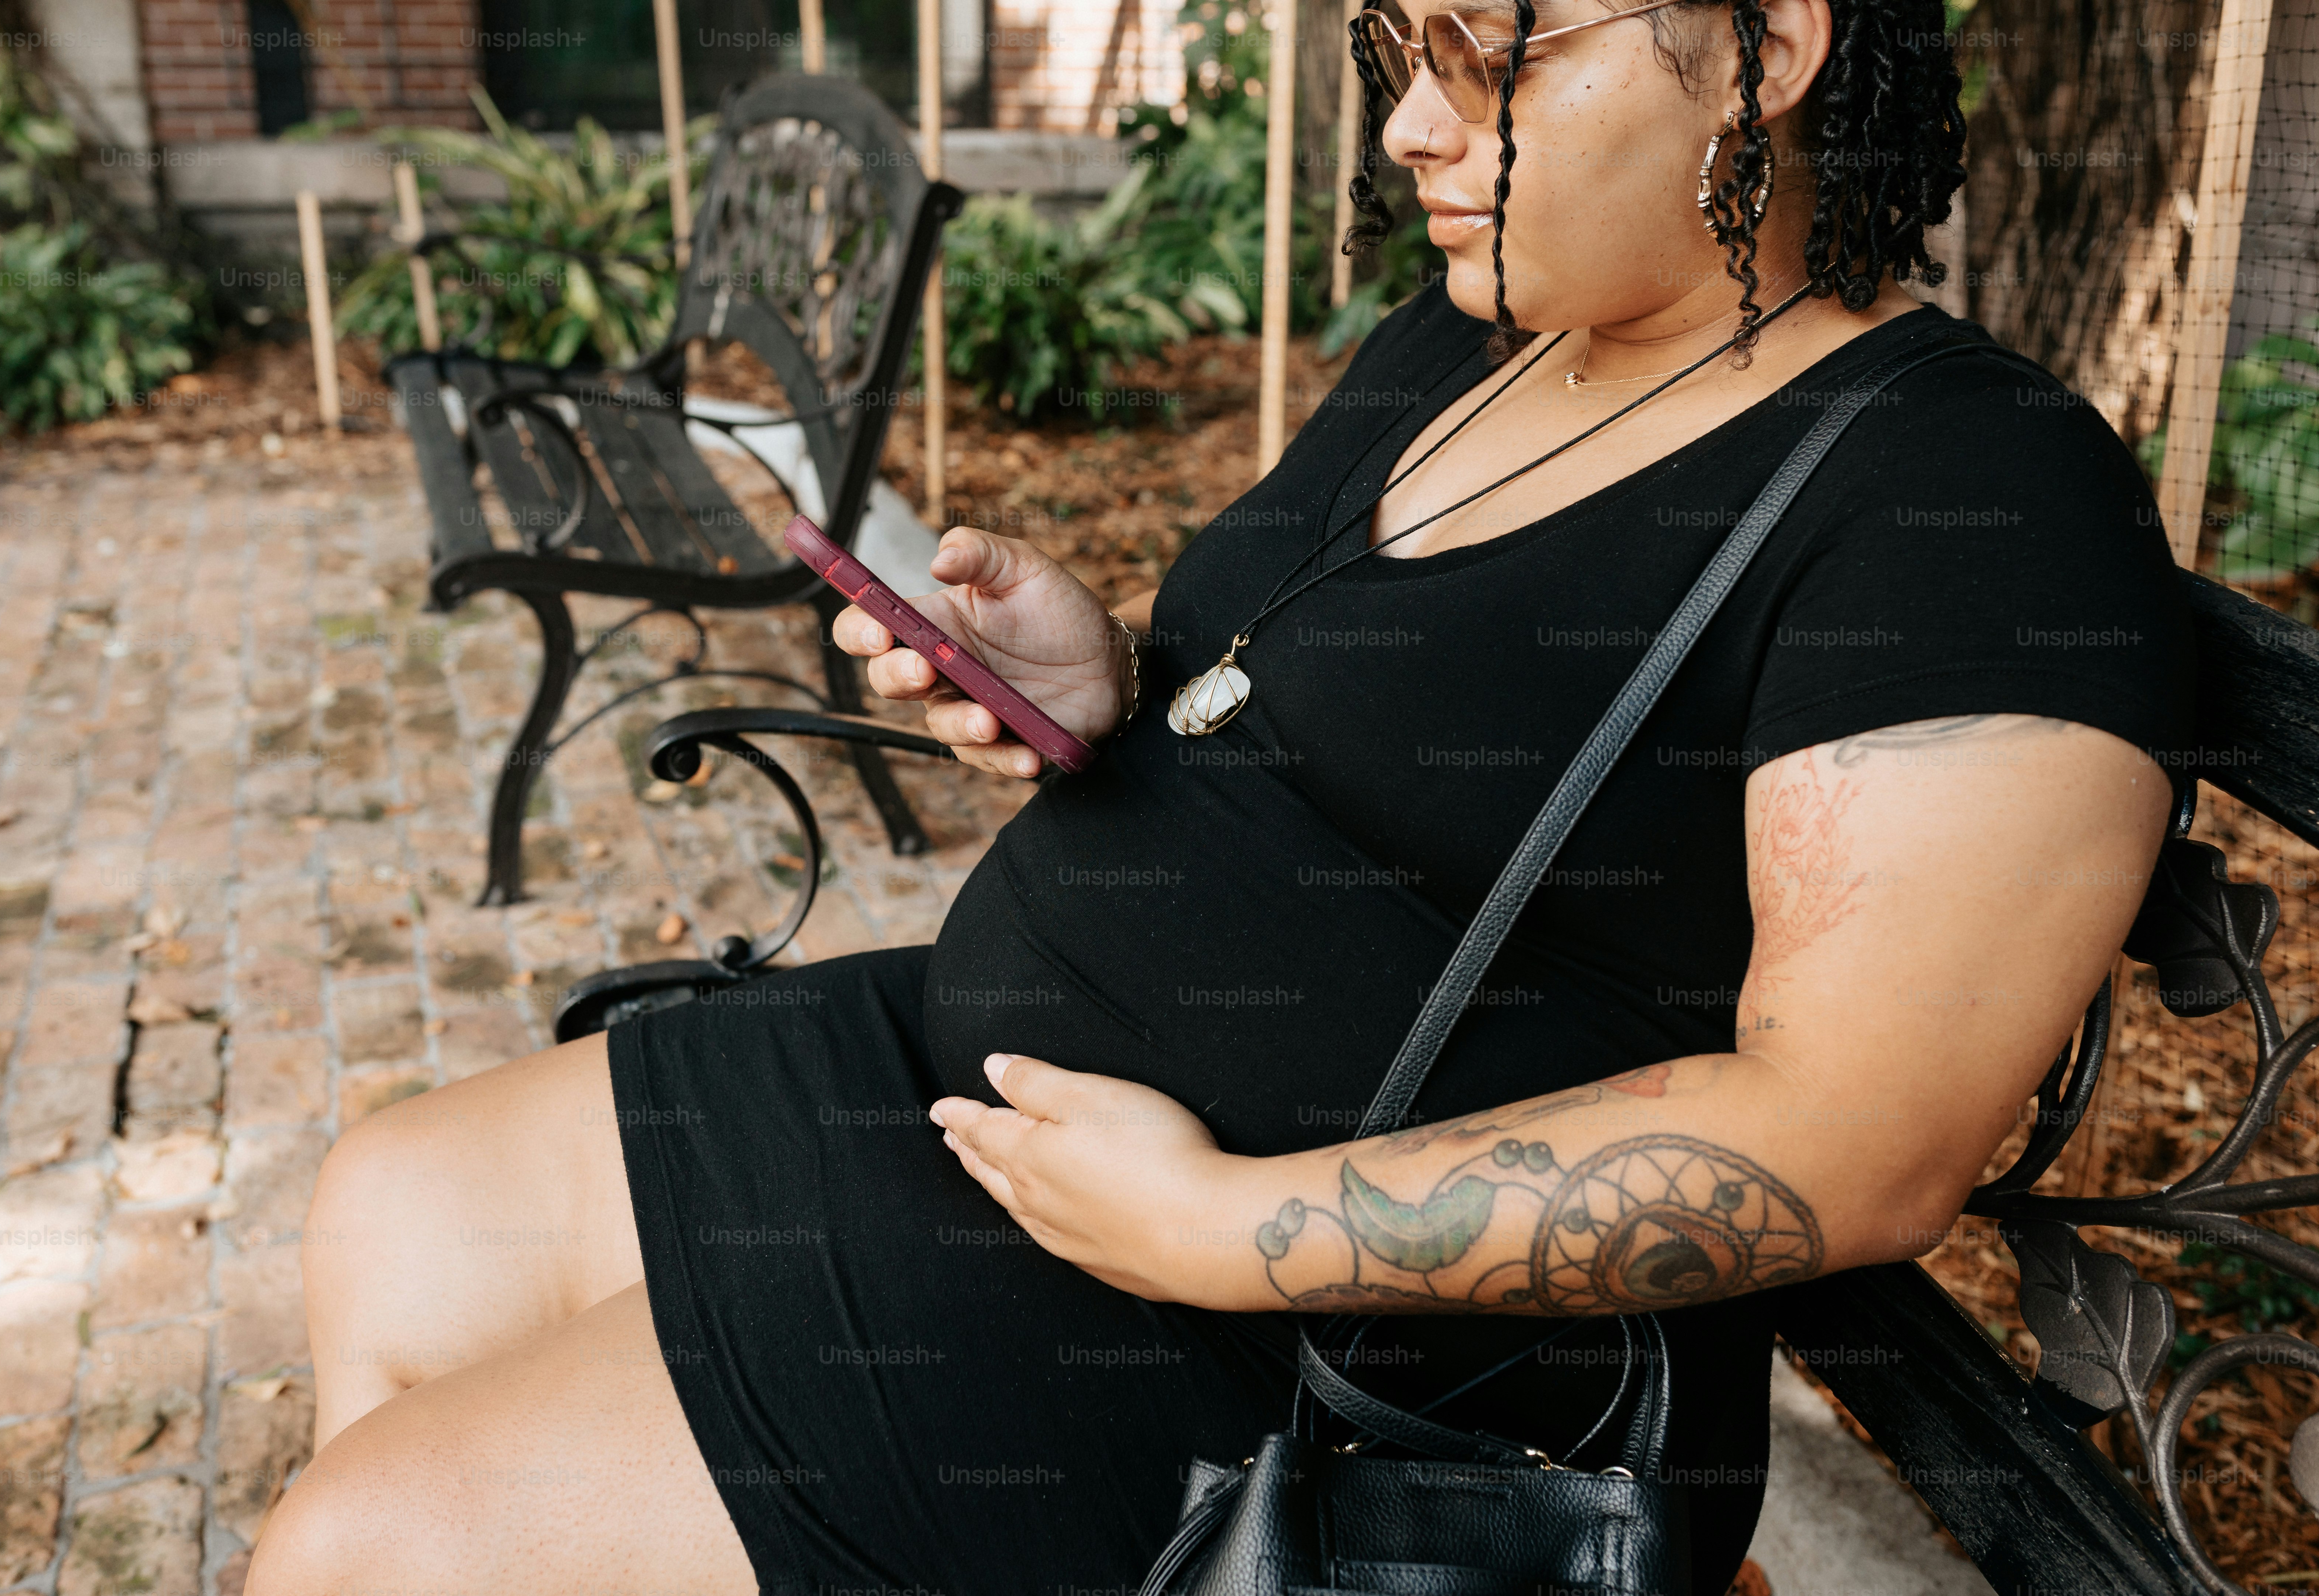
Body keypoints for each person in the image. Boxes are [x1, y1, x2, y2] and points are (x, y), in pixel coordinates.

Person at [247, 1, 2194, 1591]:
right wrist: (1095, 683)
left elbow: (1859, 1139)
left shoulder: (1967, 495)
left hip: (1338, 1348)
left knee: (371, 1547)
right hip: (1025, 1114)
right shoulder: (1478, 335)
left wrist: (1218, 1229)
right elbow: (1316, 700)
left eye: (1482, 56)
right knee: (395, 1213)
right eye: (1391, 50)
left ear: (1771, 45)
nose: (1412, 131)